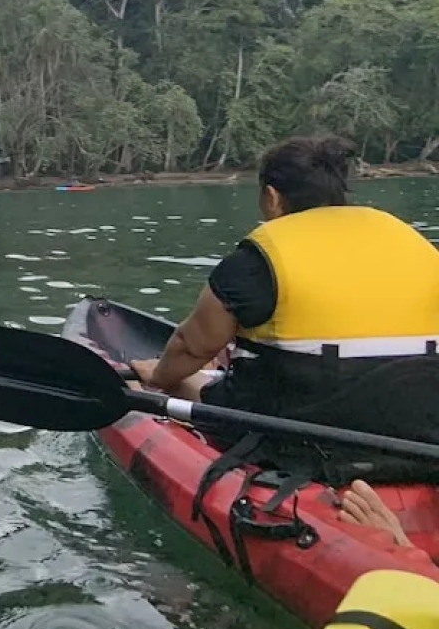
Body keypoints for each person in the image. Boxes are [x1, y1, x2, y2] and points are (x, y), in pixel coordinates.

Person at [129, 134, 439, 466]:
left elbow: (192, 346)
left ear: (272, 197)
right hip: (422, 426)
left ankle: (155, 383)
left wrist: (159, 377)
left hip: (301, 432)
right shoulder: (410, 239)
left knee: (182, 376)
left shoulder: (259, 259)